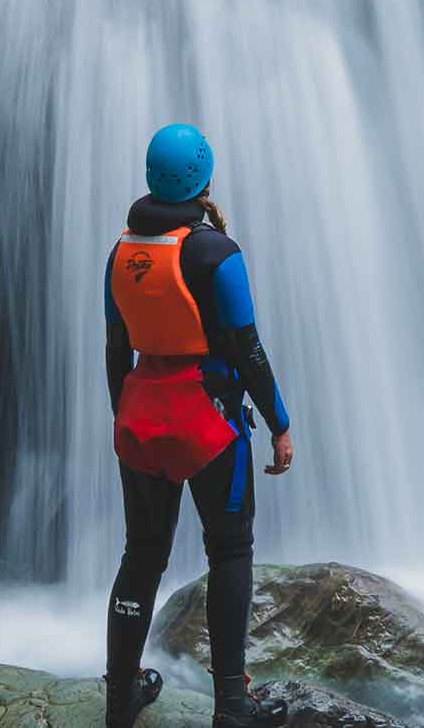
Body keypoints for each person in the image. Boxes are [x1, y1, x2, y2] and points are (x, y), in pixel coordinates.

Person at [103, 123, 294, 728]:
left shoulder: (121, 252)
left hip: (140, 419)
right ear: (204, 179)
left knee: (142, 554)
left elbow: (116, 349)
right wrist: (279, 423)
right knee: (230, 551)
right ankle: (233, 706)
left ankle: (120, 698)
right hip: (207, 421)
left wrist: (124, 418)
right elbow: (248, 350)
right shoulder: (217, 253)